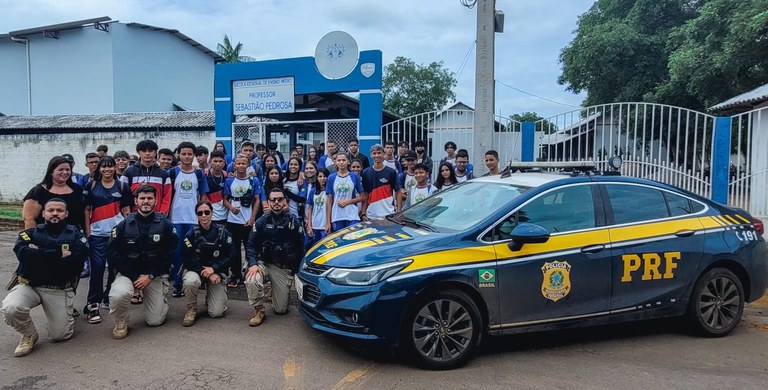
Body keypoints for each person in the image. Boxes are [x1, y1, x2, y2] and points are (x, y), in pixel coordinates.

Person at [1, 198, 88, 357]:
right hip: (29, 286)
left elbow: (76, 263)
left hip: (58, 289)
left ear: (66, 213)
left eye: (60, 210)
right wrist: (57, 254)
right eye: (51, 210)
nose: (55, 213)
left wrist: (38, 254)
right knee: (11, 307)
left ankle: (65, 313)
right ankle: (29, 335)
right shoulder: (30, 233)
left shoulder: (75, 234)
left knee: (60, 336)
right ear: (43, 213)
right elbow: (23, 255)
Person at [108, 185, 178, 339]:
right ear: (136, 201)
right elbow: (113, 254)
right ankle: (121, 320)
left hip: (154, 275)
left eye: (149, 198)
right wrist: (134, 277)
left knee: (155, 321)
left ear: (155, 201)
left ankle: (160, 300)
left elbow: (170, 254)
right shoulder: (124, 225)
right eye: (142, 198)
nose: (146, 201)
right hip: (129, 274)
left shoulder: (165, 224)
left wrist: (151, 275)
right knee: (119, 295)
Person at [244, 187, 305, 326]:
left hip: (282, 268)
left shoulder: (293, 222)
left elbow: (301, 248)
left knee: (281, 310)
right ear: (269, 202)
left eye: (280, 199)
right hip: (264, 263)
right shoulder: (261, 221)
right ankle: (259, 310)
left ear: (284, 201)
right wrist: (253, 264)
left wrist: (298, 273)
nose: (276, 202)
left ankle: (275, 289)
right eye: (273, 199)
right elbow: (251, 245)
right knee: (252, 278)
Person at [83, 156, 132, 324]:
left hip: (116, 235)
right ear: (99, 169)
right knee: (97, 268)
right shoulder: (91, 185)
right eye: (103, 167)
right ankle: (93, 303)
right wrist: (88, 233)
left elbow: (126, 210)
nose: (107, 170)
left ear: (115, 167)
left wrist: (127, 232)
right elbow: (87, 209)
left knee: (114, 267)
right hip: (97, 234)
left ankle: (108, 297)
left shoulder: (123, 186)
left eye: (110, 166)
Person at [180, 201, 233, 326]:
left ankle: (210, 297)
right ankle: (191, 309)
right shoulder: (191, 234)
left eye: (207, 212)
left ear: (212, 213)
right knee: (190, 281)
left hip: (216, 272)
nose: (204, 216)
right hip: (197, 270)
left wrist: (214, 269)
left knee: (217, 313)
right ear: (197, 215)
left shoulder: (223, 232)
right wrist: (207, 273)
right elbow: (187, 258)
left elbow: (231, 255)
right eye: (200, 213)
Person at [168, 142, 210, 297]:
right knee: (177, 252)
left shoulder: (199, 174)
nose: (186, 157)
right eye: (183, 154)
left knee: (195, 251)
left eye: (189, 154)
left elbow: (204, 197)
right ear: (178, 154)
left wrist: (203, 216)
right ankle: (177, 284)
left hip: (194, 219)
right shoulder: (172, 173)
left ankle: (196, 281)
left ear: (194, 155)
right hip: (176, 219)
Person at [222, 154, 262, 288]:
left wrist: (252, 218)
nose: (240, 166)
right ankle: (235, 275)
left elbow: (257, 200)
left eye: (243, 163)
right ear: (234, 165)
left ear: (248, 165)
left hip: (247, 221)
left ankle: (250, 274)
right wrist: (230, 208)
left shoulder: (253, 180)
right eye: (238, 163)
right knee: (234, 249)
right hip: (232, 220)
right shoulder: (229, 181)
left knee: (249, 247)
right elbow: (225, 199)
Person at [23, 156, 85, 230]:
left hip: (72, 237)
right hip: (45, 237)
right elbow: (28, 218)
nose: (65, 172)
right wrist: (33, 237)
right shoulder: (38, 191)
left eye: (68, 170)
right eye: (60, 170)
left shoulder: (77, 190)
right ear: (51, 172)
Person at [120, 140, 172, 215]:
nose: (147, 153)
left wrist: (162, 215)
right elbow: (123, 195)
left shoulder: (163, 174)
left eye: (150, 151)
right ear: (138, 152)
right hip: (134, 217)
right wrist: (128, 214)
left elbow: (167, 197)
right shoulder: (128, 172)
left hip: (157, 217)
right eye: (144, 151)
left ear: (155, 153)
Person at [326, 153, 365, 232]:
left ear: (348, 162)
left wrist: (348, 201)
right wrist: (327, 222)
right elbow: (329, 201)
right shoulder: (331, 177)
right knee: (340, 242)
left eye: (343, 160)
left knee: (353, 240)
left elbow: (362, 197)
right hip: (337, 215)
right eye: (339, 160)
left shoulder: (354, 176)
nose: (341, 162)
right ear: (335, 162)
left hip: (352, 215)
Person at [361, 144, 401, 219]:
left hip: (388, 213)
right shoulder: (365, 172)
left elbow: (398, 192)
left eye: (379, 153)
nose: (377, 155)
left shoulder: (391, 172)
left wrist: (398, 212)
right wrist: (363, 213)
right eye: (374, 153)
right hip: (371, 214)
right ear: (371, 155)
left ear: (383, 154)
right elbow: (365, 194)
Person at [305, 168, 329, 249]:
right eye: (320, 176)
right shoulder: (313, 191)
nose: (323, 178)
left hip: (325, 225)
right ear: (317, 178)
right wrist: (309, 225)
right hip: (315, 225)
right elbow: (310, 209)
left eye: (325, 176)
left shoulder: (330, 191)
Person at [206, 150, 229, 225]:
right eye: (215, 161)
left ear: (224, 162)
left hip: (225, 216)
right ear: (210, 161)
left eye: (220, 161)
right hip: (211, 216)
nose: (218, 164)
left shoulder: (225, 175)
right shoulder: (205, 174)